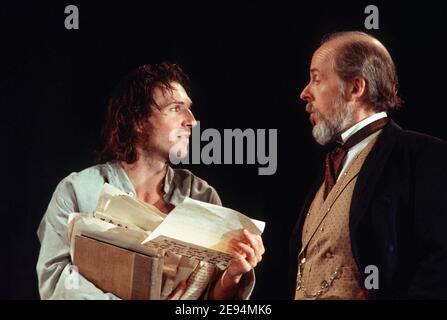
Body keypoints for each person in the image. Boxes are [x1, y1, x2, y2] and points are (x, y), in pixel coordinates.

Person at [36, 62, 265, 300]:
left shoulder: (201, 195)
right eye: (176, 108)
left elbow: (210, 300)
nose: (192, 121)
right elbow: (56, 281)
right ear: (138, 121)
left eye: (189, 108)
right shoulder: (77, 191)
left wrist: (232, 277)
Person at [290, 31, 447, 299]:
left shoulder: (425, 156)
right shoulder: (330, 164)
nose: (304, 92)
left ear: (356, 88)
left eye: (316, 79)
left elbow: (440, 265)